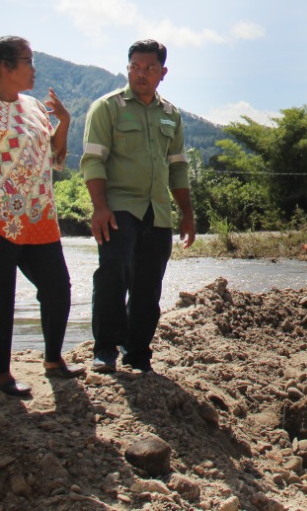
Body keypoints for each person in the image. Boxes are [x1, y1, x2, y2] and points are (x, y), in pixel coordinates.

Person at [0, 36, 82, 399]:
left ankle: (54, 360)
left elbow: (54, 160)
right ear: (6, 67)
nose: (34, 68)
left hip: (40, 216)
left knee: (58, 288)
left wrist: (65, 122)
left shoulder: (36, 108)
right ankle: (0, 375)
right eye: (28, 60)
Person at [82, 39, 196, 374]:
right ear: (127, 68)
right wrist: (99, 207)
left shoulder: (171, 115)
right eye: (134, 67)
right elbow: (92, 161)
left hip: (157, 211)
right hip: (118, 206)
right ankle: (105, 349)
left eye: (148, 69)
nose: (140, 74)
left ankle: (138, 352)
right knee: (112, 274)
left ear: (163, 72)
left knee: (148, 285)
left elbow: (177, 167)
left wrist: (187, 214)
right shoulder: (108, 107)